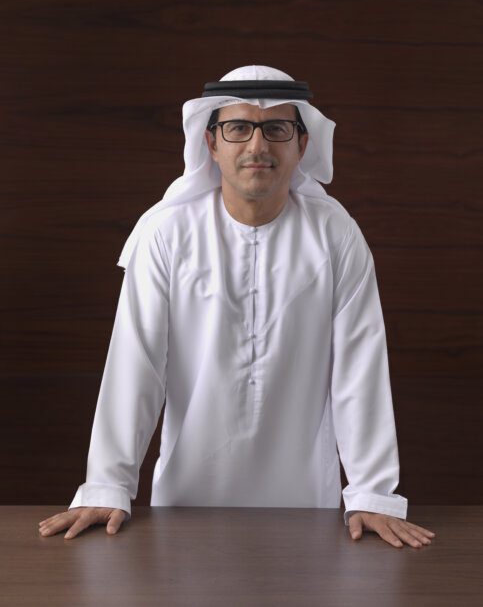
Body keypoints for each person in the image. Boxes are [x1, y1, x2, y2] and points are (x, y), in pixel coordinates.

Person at [39, 65, 435, 548]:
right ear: (211, 143)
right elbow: (135, 364)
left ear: (301, 145)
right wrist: (108, 484)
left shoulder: (336, 235)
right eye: (239, 128)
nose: (257, 146)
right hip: (184, 511)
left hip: (307, 510)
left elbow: (360, 367)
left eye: (276, 129)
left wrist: (372, 494)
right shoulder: (167, 235)